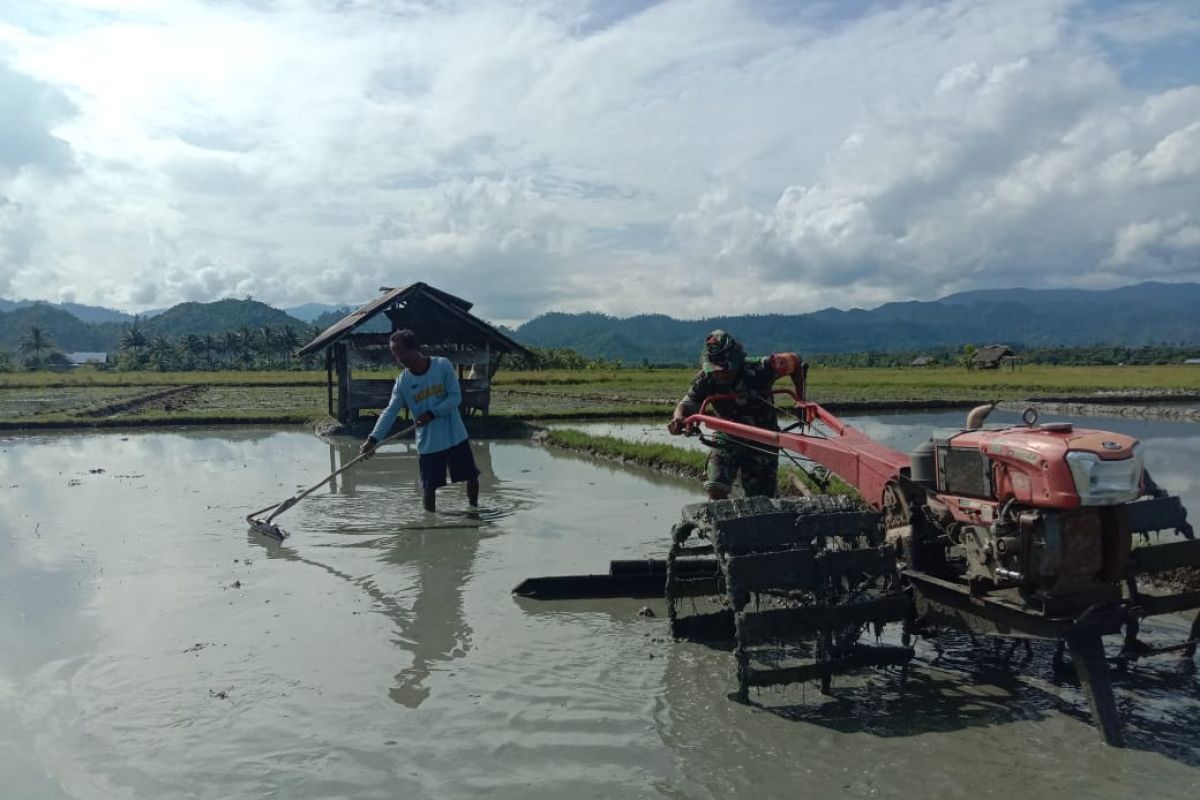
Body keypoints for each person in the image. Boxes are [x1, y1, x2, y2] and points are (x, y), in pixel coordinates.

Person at [667, 330, 803, 500]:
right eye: (714, 368)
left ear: (736, 360)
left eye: (724, 368)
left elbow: (797, 361)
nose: (719, 373)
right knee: (716, 487)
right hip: (728, 437)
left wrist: (801, 400)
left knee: (760, 499)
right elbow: (687, 403)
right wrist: (678, 418)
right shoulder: (706, 379)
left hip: (762, 439)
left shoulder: (764, 367)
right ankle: (721, 524)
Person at [360, 329, 480, 512]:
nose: (398, 358)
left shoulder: (442, 365)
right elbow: (390, 411)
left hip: (454, 435)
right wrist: (372, 439)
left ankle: (474, 510)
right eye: (394, 354)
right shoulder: (403, 382)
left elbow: (455, 398)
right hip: (429, 442)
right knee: (429, 487)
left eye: (400, 352)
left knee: (471, 476)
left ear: (414, 348)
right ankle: (429, 523)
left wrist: (432, 414)